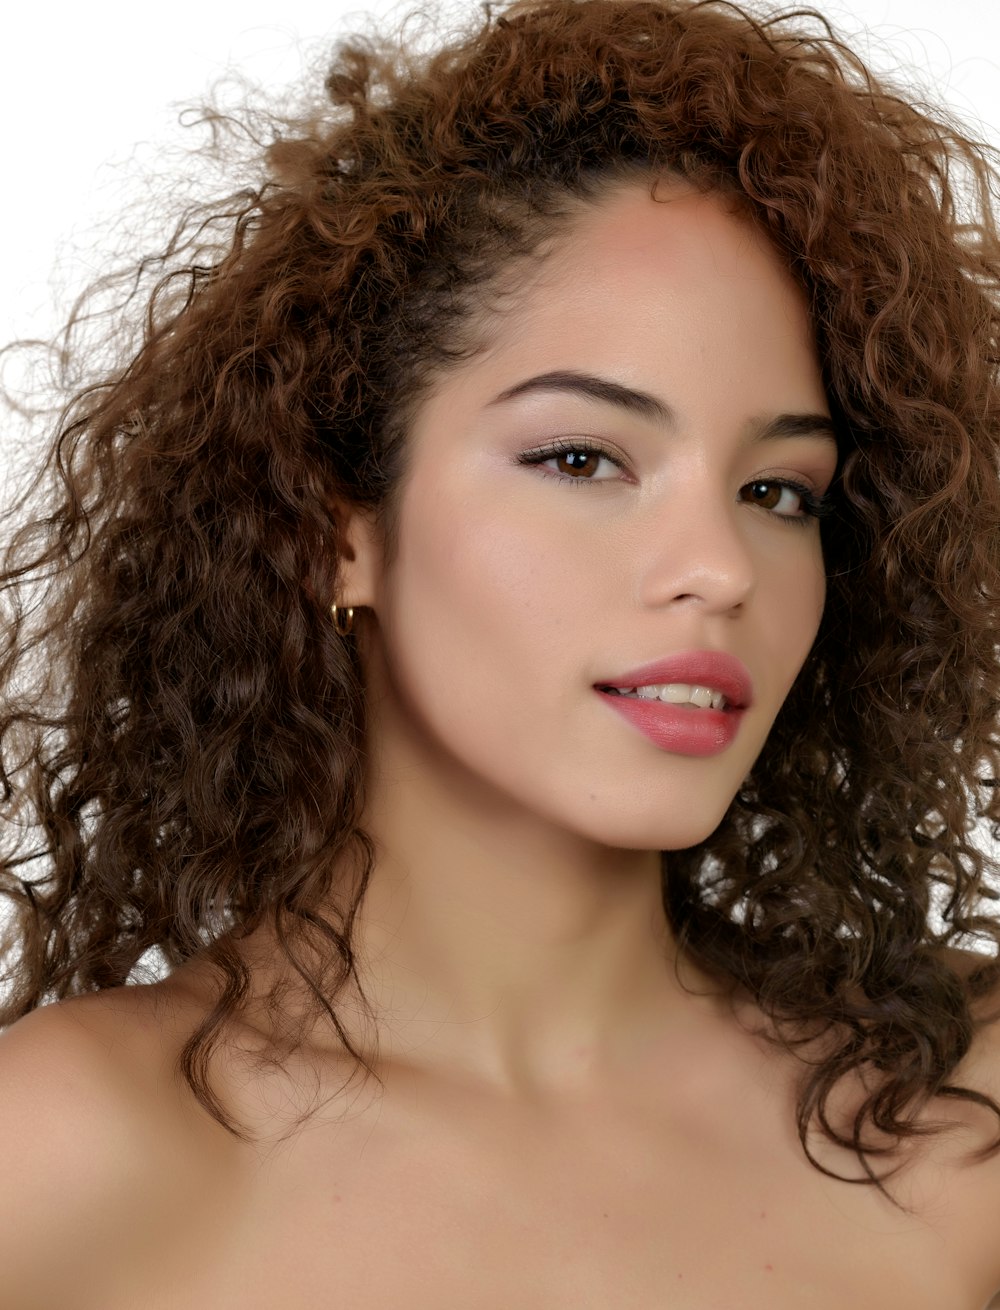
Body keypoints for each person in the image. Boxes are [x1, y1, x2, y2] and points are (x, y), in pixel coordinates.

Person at [1, 0, 1000, 1304]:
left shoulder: (956, 1128)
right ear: (330, 526)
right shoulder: (68, 1155)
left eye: (780, 491)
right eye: (582, 458)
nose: (718, 564)